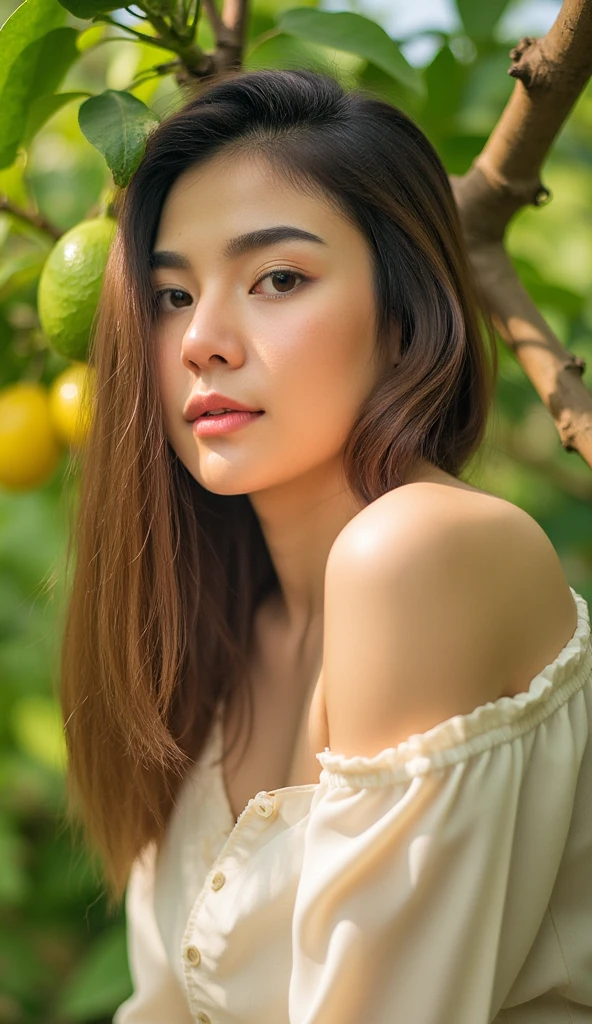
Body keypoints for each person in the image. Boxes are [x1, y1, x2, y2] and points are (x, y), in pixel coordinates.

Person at [59, 68, 592, 1023]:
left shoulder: (420, 552)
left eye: (277, 279)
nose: (201, 341)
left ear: (405, 315)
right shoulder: (212, 635)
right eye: (172, 294)